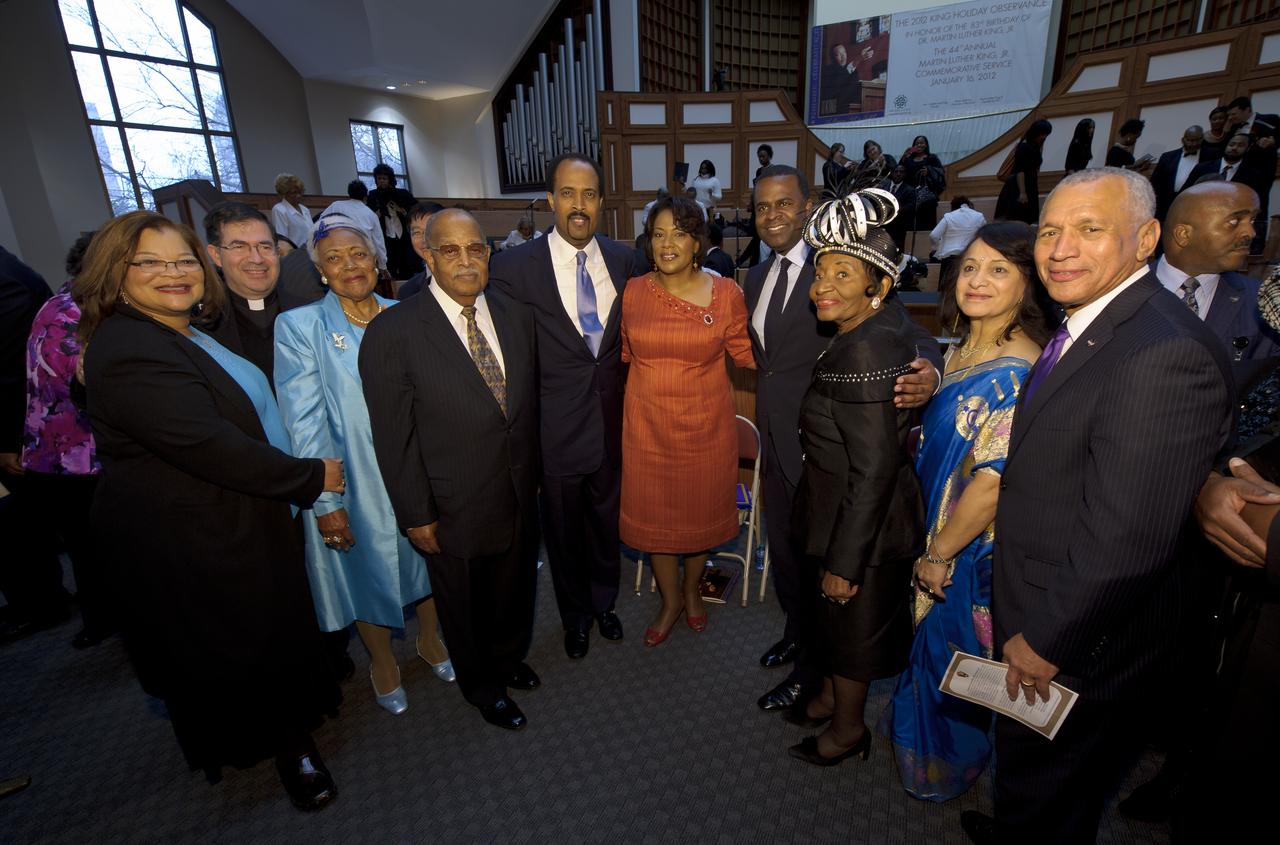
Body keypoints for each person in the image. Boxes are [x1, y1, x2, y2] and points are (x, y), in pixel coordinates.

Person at [958, 168, 1233, 844]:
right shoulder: (1094, 321)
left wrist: (1050, 638)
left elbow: (1128, 535)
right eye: (1050, 230)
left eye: (1089, 229)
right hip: (1045, 599)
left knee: (1055, 788)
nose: (1060, 248)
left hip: (1079, 638)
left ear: (1146, 239)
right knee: (1034, 780)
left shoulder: (1163, 352)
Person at [77, 211, 346, 810]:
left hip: (229, 517)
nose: (173, 273)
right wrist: (308, 477)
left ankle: (287, 730)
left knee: (262, 635)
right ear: (115, 275)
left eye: (182, 261)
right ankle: (289, 751)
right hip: (190, 533)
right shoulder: (129, 348)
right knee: (238, 645)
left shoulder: (178, 331)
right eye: (149, 262)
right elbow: (206, 445)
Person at [745, 164, 941, 714]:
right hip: (780, 443)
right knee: (790, 561)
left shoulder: (847, 258)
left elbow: (906, 326)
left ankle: (812, 677)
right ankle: (797, 637)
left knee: (831, 576)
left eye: (785, 203)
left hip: (835, 458)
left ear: (807, 207)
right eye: (762, 207)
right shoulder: (754, 278)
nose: (773, 215)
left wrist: (929, 367)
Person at [885, 221, 1052, 799]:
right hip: (935, 531)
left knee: (952, 661)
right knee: (928, 652)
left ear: (1028, 285)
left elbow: (989, 485)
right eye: (971, 267)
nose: (978, 280)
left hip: (966, 549)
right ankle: (923, 755)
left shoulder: (1019, 371)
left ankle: (948, 766)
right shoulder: (959, 352)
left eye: (1000, 270)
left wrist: (938, 553)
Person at [359, 209, 540, 731]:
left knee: (514, 591)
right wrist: (416, 513)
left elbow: (527, 410)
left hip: (516, 488)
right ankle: (482, 685)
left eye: (475, 248)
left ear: (488, 253)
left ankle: (507, 660)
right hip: (451, 500)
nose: (465, 260)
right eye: (450, 250)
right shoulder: (392, 332)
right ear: (428, 255)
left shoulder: (515, 314)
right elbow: (394, 437)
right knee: (465, 605)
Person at [274, 214, 454, 716]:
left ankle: (430, 640)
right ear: (321, 272)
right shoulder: (299, 327)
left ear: (376, 259)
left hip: (419, 470)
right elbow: (303, 419)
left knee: (430, 556)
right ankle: (381, 661)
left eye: (358, 254)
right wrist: (326, 501)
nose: (349, 265)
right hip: (353, 477)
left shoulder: (411, 314)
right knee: (363, 569)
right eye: (334, 258)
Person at [782, 187, 925, 766]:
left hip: (861, 531)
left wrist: (845, 562)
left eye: (843, 272)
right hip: (843, 516)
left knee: (851, 636)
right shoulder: (875, 327)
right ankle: (824, 700)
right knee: (834, 626)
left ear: (879, 287)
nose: (823, 285)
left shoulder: (866, 350)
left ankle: (847, 732)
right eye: (820, 271)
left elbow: (873, 469)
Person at [489, 153, 645, 658]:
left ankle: (604, 603)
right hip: (553, 429)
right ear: (552, 200)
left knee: (606, 522)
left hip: (613, 422)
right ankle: (575, 617)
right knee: (562, 531)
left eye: (590, 195)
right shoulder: (512, 267)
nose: (580, 205)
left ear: (601, 202)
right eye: (569, 194)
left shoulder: (625, 261)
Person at [619, 196, 754, 647]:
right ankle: (670, 599)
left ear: (697, 242)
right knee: (656, 519)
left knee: (698, 519)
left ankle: (693, 594)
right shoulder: (634, 291)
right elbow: (622, 355)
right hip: (646, 429)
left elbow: (747, 354)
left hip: (705, 429)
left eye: (679, 233)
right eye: (659, 234)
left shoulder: (727, 294)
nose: (668, 243)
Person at [20, 232, 114, 649]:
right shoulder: (75, 316)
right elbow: (96, 388)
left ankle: (101, 620)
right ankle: (105, 622)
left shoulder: (60, 303)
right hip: (75, 458)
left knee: (89, 549)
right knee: (98, 550)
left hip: (58, 457)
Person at [0, 244, 70, 642]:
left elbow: (9, 373)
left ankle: (41, 603)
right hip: (25, 428)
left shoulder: (8, 282)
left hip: (21, 430)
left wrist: (8, 439)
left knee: (20, 524)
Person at [1158, 181, 1280, 360]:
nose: (1251, 232)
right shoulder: (1119, 289)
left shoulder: (1264, 303)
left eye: (1252, 220)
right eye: (1234, 221)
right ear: (1184, 235)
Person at [203, 201, 317, 381]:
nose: (256, 259)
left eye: (265, 247)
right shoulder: (203, 327)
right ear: (216, 255)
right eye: (239, 247)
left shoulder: (311, 314)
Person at [366, 163, 421, 280]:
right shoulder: (372, 195)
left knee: (406, 263)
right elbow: (368, 216)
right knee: (389, 263)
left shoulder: (402, 194)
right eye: (379, 178)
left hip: (402, 234)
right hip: (384, 234)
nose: (381, 181)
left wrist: (400, 210)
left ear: (390, 179)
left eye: (384, 178)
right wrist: (377, 214)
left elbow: (415, 209)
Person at [323, 180, 389, 272]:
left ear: (349, 194)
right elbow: (379, 242)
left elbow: (319, 225)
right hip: (362, 255)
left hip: (338, 254)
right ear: (365, 197)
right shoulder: (370, 214)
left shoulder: (336, 206)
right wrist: (383, 265)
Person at [1150, 125, 1212, 222]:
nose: (1193, 144)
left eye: (1197, 140)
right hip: (1164, 209)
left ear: (1202, 139)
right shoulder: (1167, 157)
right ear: (1183, 140)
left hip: (1193, 208)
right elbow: (1155, 183)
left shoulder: (1210, 158)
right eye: (1190, 140)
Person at [995, 120, 1052, 224]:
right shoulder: (1024, 147)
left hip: (1028, 185)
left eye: (1046, 134)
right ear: (1036, 132)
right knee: (1019, 218)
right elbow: (1020, 171)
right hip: (1019, 186)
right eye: (1042, 134)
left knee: (1025, 218)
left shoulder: (1034, 146)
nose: (1044, 137)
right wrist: (1022, 192)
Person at [929, 196, 987, 284]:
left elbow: (934, 235)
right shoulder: (979, 216)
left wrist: (938, 247)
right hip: (971, 259)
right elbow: (985, 236)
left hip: (950, 260)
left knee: (946, 291)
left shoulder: (949, 217)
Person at [397, 201, 446, 300]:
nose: (424, 239)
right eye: (417, 232)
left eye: (430, 229)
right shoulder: (408, 292)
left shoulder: (480, 278)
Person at [900, 135, 946, 230]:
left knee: (927, 225)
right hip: (912, 195)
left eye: (922, 143)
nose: (919, 145)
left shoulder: (932, 158)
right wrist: (904, 157)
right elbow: (899, 171)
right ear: (913, 146)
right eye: (917, 143)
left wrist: (929, 171)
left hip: (927, 196)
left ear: (926, 145)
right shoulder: (909, 159)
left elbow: (940, 172)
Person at [270, 173, 314, 254]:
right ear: (284, 193)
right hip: (295, 255)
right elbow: (282, 239)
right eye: (294, 193)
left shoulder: (305, 210)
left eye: (300, 192)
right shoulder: (279, 209)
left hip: (311, 252)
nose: (298, 196)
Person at [879, 164, 916, 250]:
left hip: (898, 228)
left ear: (905, 174)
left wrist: (895, 210)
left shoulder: (909, 190)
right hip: (882, 226)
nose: (898, 174)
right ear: (892, 173)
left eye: (901, 172)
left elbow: (911, 207)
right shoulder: (883, 187)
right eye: (896, 171)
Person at [819, 43, 861, 116]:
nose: (843, 56)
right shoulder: (827, 70)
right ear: (832, 58)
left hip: (849, 107)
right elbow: (833, 90)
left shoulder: (853, 70)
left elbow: (853, 88)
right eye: (838, 54)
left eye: (844, 52)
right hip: (831, 108)